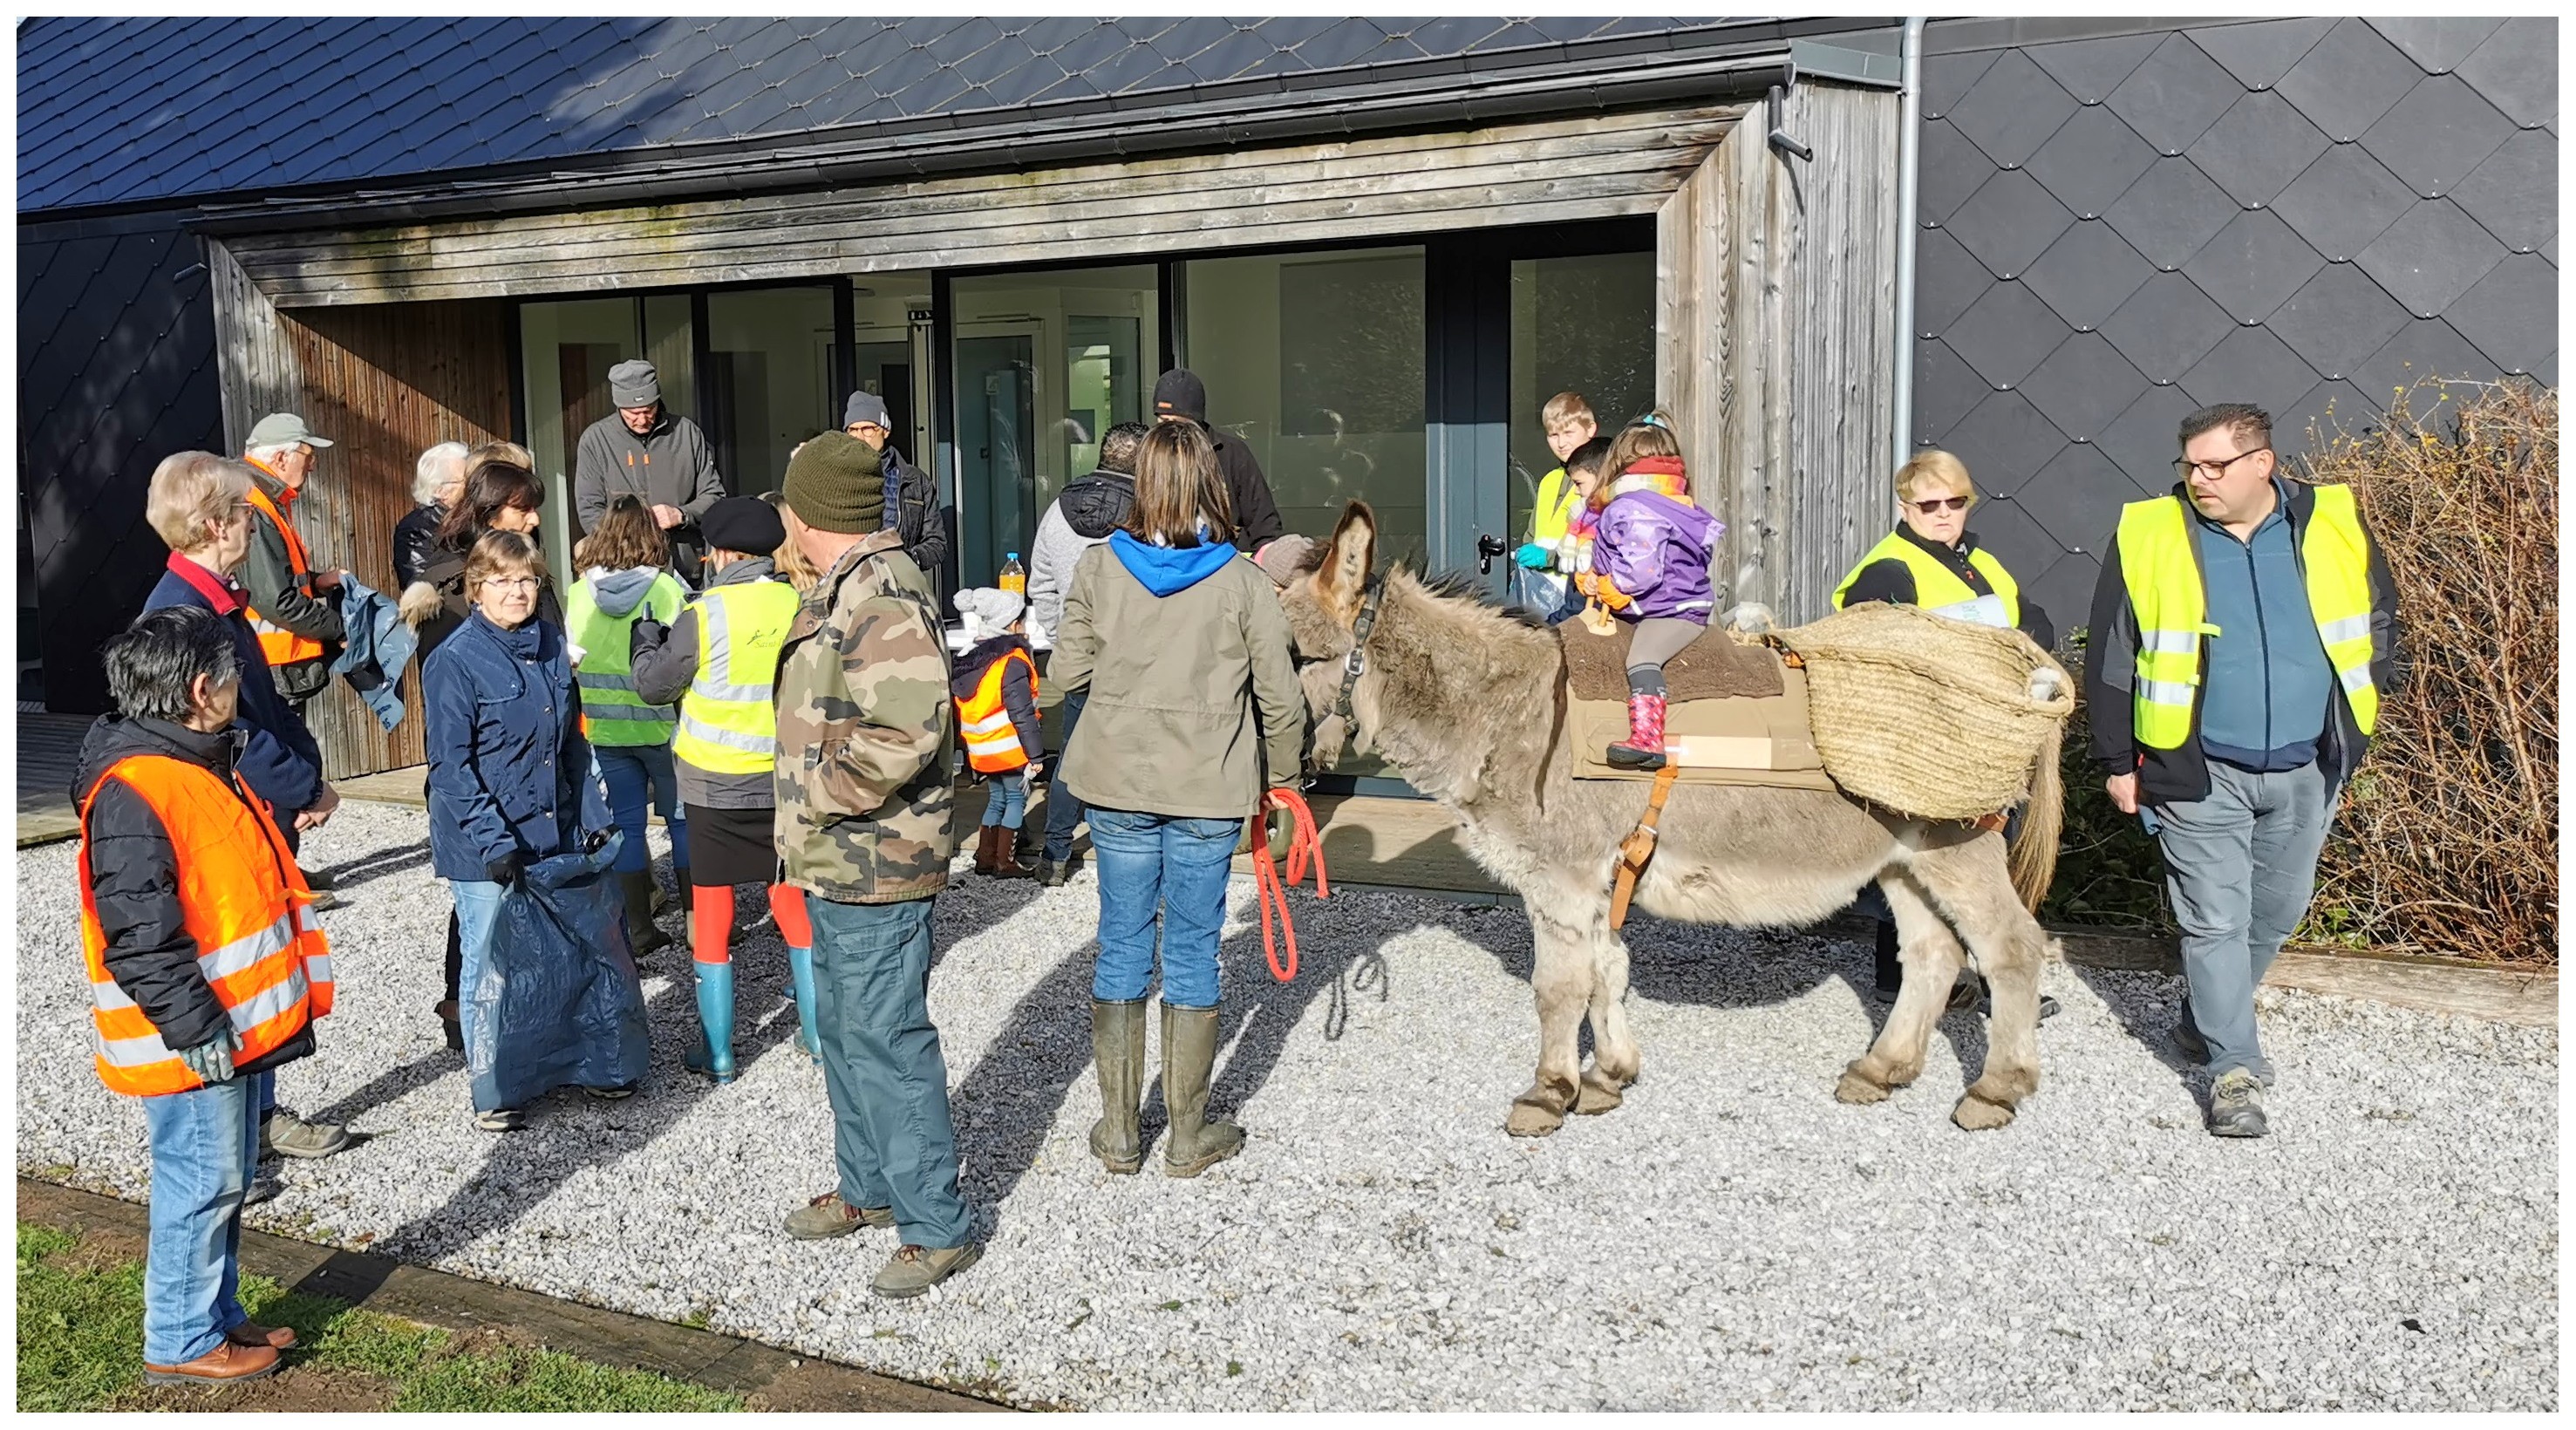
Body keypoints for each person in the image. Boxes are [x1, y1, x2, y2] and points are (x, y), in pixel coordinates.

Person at [2085, 403, 2396, 1140]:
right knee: (2214, 922)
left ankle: (2203, 1019)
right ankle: (2232, 1067)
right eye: (2190, 465)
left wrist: (2357, 725)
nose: (2198, 479)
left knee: (2275, 914)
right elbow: (2111, 656)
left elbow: (2379, 621)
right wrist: (2114, 760)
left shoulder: (2330, 524)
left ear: (2264, 463)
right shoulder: (2153, 533)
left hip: (2306, 766)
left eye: (2214, 465)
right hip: (2195, 769)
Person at [76, 605, 334, 1386]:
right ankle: (183, 1338)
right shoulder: (142, 788)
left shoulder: (186, 764)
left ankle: (215, 1315)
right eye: (231, 679)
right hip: (192, 1035)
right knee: (203, 1179)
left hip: (220, 1025)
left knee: (219, 1177)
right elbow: (139, 934)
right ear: (201, 691)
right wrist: (193, 1026)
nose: (237, 691)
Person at [1051, 420, 1305, 1180]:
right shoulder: (1244, 581)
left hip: (1118, 782)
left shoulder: (1099, 569)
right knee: (1193, 949)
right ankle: (1189, 1138)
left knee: (1123, 942)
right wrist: (1284, 783)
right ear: (1211, 486)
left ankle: (1121, 1135)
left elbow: (1065, 673)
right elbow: (1282, 702)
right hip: (1209, 787)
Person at [769, 432, 979, 1299]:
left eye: (787, 505)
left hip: (874, 861)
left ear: (813, 514)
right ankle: (870, 1189)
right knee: (846, 1036)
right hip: (834, 859)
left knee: (887, 1042)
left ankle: (936, 1226)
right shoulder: (839, 584)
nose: (780, 517)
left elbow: (907, 729)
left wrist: (816, 788)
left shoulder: (880, 594)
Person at [136, 453, 351, 1166]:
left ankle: (258, 1118)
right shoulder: (185, 615)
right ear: (217, 524)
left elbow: (260, 706)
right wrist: (302, 787)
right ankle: (237, 1143)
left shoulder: (213, 601)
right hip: (226, 814)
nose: (251, 523)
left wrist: (300, 783)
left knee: (259, 965)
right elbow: (231, 732)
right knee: (234, 966)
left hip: (253, 810)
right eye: (243, 512)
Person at [1834, 448, 2060, 1019]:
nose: (1942, 514)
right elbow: (1867, 648)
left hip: (1982, 735)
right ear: (1905, 506)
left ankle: (1949, 979)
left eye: (1954, 502)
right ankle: (1930, 980)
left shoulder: (1977, 560)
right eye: (1928, 504)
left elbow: (2034, 622)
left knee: (1965, 862)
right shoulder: (1889, 569)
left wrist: (2014, 643)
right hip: (1928, 741)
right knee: (1935, 862)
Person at [422, 531, 620, 1131]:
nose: (516, 591)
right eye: (502, 580)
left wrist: (590, 816)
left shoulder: (552, 648)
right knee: (491, 963)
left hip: (550, 828)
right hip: (482, 842)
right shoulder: (453, 662)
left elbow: (570, 747)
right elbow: (451, 769)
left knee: (559, 953)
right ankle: (495, 1086)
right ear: (477, 589)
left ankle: (563, 1064)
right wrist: (494, 840)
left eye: (527, 579)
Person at [633, 496, 813, 1082]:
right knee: (791, 903)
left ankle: (719, 1053)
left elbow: (656, 687)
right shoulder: (800, 604)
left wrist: (645, 642)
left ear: (725, 553)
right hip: (783, 780)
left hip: (713, 785)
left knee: (711, 914)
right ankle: (815, 1036)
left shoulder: (705, 612)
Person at [1026, 419, 1149, 886]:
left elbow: (1040, 584)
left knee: (1073, 756)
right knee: (1132, 758)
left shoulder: (1057, 509)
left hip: (1078, 658)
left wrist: (1064, 641)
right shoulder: (1149, 511)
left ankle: (1056, 853)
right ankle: (1127, 857)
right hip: (1137, 660)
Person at [566, 497, 692, 956]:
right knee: (681, 823)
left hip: (606, 731)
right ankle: (701, 924)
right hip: (665, 729)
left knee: (629, 826)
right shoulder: (666, 590)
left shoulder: (579, 593)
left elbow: (574, 658)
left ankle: (638, 926)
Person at [1574, 415, 1721, 770]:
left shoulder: (1634, 506)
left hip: (1671, 611)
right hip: (1670, 602)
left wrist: (1613, 585)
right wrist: (1597, 575)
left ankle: (1648, 740)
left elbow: (1641, 568)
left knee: (1642, 658)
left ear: (1618, 464)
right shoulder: (1677, 504)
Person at [573, 360, 726, 583]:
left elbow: (715, 496)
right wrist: (629, 539)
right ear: (618, 406)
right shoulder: (595, 440)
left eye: (649, 410)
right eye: (632, 413)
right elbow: (589, 510)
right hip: (621, 568)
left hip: (684, 565)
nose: (642, 419)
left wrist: (680, 514)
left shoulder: (687, 433)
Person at [236, 413, 349, 712]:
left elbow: (270, 579)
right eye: (308, 455)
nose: (312, 464)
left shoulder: (261, 498)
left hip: (271, 665)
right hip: (269, 667)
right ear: (281, 458)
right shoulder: (254, 505)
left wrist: (315, 581)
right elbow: (276, 600)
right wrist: (342, 629)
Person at [951, 587, 1043, 880]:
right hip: (1010, 747)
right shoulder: (1012, 660)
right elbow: (1022, 712)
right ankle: (1006, 862)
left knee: (996, 800)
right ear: (1012, 624)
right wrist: (1036, 754)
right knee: (1016, 801)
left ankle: (985, 859)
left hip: (981, 749)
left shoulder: (971, 657)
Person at [1151, 368, 1285, 550]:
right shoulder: (1150, 454)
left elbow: (1265, 527)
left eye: (1179, 424)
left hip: (1224, 566)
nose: (1172, 432)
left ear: (1196, 421)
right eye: (1164, 422)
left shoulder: (1232, 454)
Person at [842, 391, 950, 593]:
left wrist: (908, 559)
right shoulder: (835, 478)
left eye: (867, 429)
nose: (859, 437)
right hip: (850, 589)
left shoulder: (914, 481)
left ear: (885, 430)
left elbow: (937, 543)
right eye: (853, 430)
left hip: (900, 588)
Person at [1513, 392, 1600, 613]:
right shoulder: (1549, 481)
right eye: (1553, 435)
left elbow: (1599, 543)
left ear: (1590, 429)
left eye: (1569, 433)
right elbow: (1533, 536)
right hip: (1538, 589)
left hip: (1579, 592)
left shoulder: (1600, 479)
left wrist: (1548, 558)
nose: (1561, 443)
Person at [1543, 436, 1613, 626]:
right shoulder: (1583, 519)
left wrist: (1549, 628)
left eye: (1579, 483)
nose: (1575, 491)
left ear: (1603, 477)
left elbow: (1581, 603)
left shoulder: (1613, 524)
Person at [394, 441, 470, 592]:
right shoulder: (416, 529)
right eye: (466, 480)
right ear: (440, 490)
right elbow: (420, 587)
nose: (474, 484)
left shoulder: (470, 517)